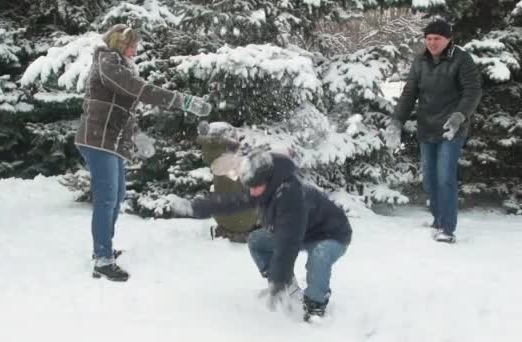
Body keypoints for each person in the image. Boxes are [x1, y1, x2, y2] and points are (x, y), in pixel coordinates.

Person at [74, 24, 211, 281]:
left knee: (117, 196)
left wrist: (136, 137)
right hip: (98, 139)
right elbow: (140, 89)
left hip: (111, 141)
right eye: (132, 46)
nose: (135, 52)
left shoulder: (118, 66)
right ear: (119, 44)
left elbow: (125, 109)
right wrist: (182, 101)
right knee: (106, 198)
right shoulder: (107, 62)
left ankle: (104, 249)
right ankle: (102, 259)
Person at [169, 150, 352, 322]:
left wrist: (277, 280)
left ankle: (315, 307)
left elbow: (288, 243)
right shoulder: (264, 185)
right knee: (258, 241)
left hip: (332, 234)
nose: (252, 192)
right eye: (249, 187)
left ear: (268, 181)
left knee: (318, 258)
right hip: (303, 232)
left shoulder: (292, 197)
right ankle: (285, 284)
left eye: (255, 187)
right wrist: (196, 207)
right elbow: (232, 202)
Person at [385, 18, 482, 244]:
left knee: (445, 177)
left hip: (452, 127)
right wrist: (396, 121)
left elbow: (473, 91)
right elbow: (409, 93)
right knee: (430, 180)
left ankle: (447, 228)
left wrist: (459, 116)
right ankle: (438, 220)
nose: (432, 42)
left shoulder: (462, 59)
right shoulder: (420, 61)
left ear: (448, 39)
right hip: (427, 126)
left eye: (437, 38)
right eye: (428, 38)